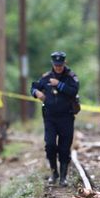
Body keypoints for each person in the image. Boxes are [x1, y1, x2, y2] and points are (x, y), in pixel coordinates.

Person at [30, 51, 80, 186]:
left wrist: (59, 84)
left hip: (66, 117)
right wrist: (36, 93)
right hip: (50, 118)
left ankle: (63, 176)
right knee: (50, 145)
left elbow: (74, 91)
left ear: (64, 63)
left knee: (64, 148)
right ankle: (54, 173)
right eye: (56, 65)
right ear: (53, 64)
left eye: (60, 65)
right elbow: (33, 87)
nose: (58, 67)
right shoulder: (46, 77)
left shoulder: (70, 76)